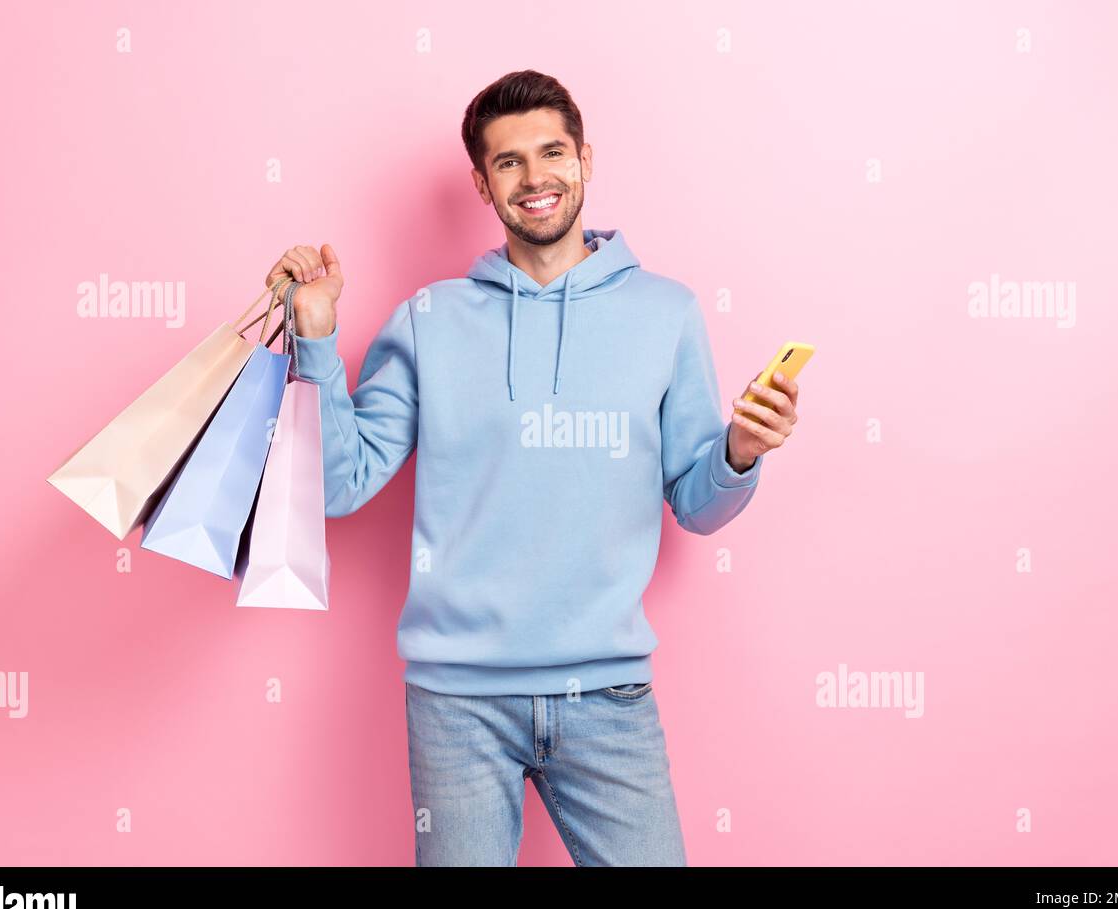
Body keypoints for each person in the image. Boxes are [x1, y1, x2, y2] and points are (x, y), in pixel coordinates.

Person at [264, 69, 799, 866]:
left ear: (586, 157)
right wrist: (314, 335)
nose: (535, 177)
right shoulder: (430, 319)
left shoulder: (667, 313)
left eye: (552, 152)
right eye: (508, 162)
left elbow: (698, 504)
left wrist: (739, 453)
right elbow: (342, 484)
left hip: (610, 697)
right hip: (458, 703)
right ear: (482, 183)